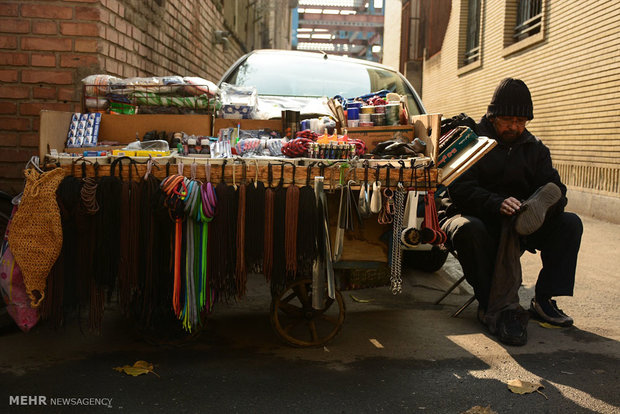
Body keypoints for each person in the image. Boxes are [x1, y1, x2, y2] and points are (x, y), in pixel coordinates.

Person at [440, 78, 583, 346]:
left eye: (521, 121)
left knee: (569, 222)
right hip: (474, 215)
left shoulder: (535, 148)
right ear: (493, 116)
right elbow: (459, 190)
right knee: (468, 229)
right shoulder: (471, 140)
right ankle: (491, 303)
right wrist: (497, 203)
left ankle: (543, 299)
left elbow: (556, 188)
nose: (515, 127)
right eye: (507, 120)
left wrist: (535, 205)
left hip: (521, 220)